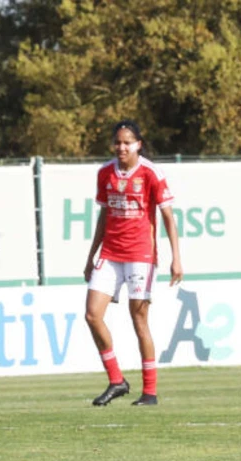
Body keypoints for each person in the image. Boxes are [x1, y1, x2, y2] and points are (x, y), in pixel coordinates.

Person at [83, 121, 183, 406]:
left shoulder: (151, 172)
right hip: (110, 254)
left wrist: (176, 258)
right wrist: (91, 256)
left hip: (141, 256)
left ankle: (149, 391)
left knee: (139, 320)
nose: (122, 147)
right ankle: (116, 380)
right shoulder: (105, 173)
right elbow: (103, 217)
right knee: (92, 314)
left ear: (139, 144)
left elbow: (167, 217)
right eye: (118, 142)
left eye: (128, 142)